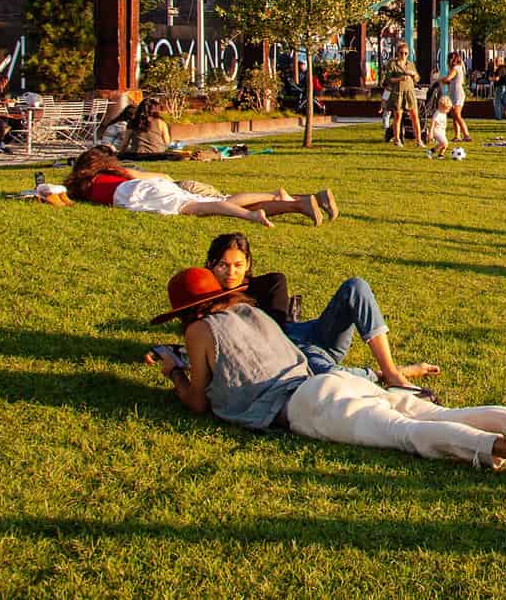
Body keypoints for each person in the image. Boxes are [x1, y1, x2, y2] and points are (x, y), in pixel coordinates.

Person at [146, 268, 506, 479]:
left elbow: (199, 402)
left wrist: (174, 373)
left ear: (186, 311)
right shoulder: (256, 315)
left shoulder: (200, 331)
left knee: (404, 433)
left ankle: (503, 447)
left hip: (305, 405)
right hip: (335, 380)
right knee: (439, 412)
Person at [203, 233, 439, 393]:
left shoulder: (266, 284)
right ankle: (390, 374)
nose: (231, 272)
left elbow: (277, 309)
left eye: (238, 265)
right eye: (223, 265)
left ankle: (390, 372)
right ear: (211, 264)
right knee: (332, 379)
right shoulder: (205, 303)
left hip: (307, 334)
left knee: (355, 286)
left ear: (248, 263)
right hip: (293, 354)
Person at [64, 147, 334, 227]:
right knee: (217, 202)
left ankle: (275, 204)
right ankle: (296, 200)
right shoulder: (113, 173)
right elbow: (153, 176)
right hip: (152, 188)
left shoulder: (86, 187)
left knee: (209, 205)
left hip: (145, 195)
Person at [384, 45, 423, 148]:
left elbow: (417, 78)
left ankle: (419, 140)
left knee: (415, 116)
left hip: (410, 92)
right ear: (397, 53)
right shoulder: (392, 64)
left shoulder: (410, 64)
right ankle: (396, 139)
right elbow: (388, 79)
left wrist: (414, 75)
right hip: (398, 92)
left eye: (406, 53)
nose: (403, 55)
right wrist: (400, 78)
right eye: (401, 53)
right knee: (398, 116)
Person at [438, 54, 471, 143]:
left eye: (452, 58)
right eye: (449, 58)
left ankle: (466, 135)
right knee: (454, 116)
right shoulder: (454, 69)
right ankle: (457, 136)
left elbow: (448, 78)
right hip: (452, 93)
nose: (450, 60)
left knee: (457, 115)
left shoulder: (456, 68)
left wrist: (440, 79)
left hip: (457, 94)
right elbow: (450, 81)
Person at [425, 95, 463, 160]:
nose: (448, 111)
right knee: (444, 143)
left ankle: (440, 155)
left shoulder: (443, 113)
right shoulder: (437, 113)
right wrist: (431, 133)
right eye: (447, 109)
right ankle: (432, 151)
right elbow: (433, 123)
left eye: (448, 109)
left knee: (445, 144)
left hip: (442, 131)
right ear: (441, 107)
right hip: (436, 131)